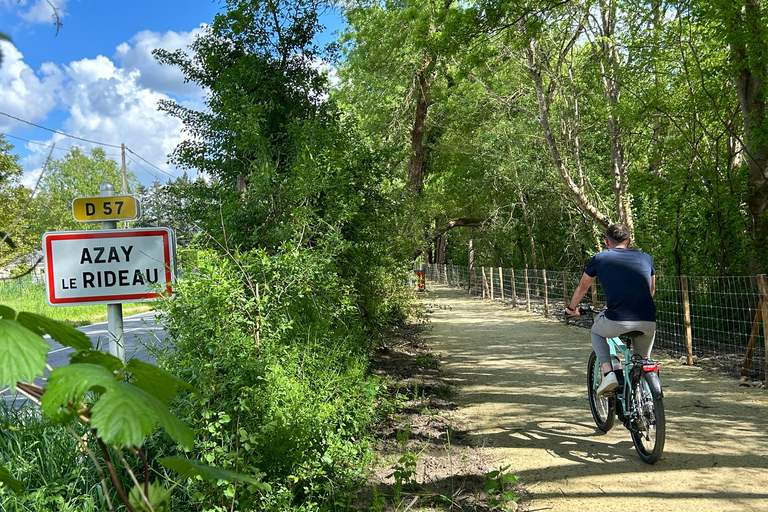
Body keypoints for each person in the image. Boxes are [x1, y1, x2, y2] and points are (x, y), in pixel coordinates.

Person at [564, 224, 656, 396]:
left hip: (617, 319)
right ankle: (644, 398)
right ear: (629, 241)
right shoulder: (646, 258)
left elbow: (583, 286)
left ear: (607, 241)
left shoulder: (600, 258)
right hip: (648, 319)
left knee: (596, 332)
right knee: (642, 361)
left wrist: (571, 308)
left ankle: (609, 373)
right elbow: (651, 289)